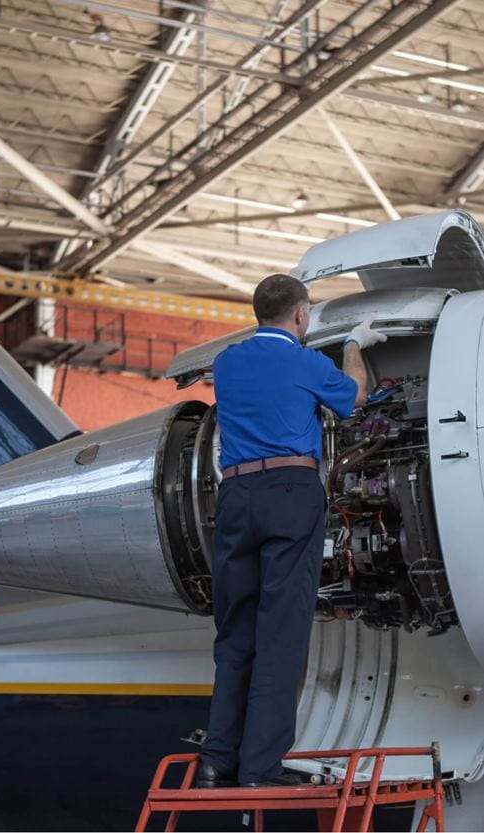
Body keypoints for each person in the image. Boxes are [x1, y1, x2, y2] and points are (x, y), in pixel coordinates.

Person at [197, 273, 387, 789]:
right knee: (280, 635)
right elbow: (355, 397)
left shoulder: (227, 361)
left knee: (236, 633)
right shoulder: (304, 361)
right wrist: (353, 343)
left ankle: (216, 762)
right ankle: (259, 768)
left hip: (235, 497)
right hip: (289, 493)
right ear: (301, 316)